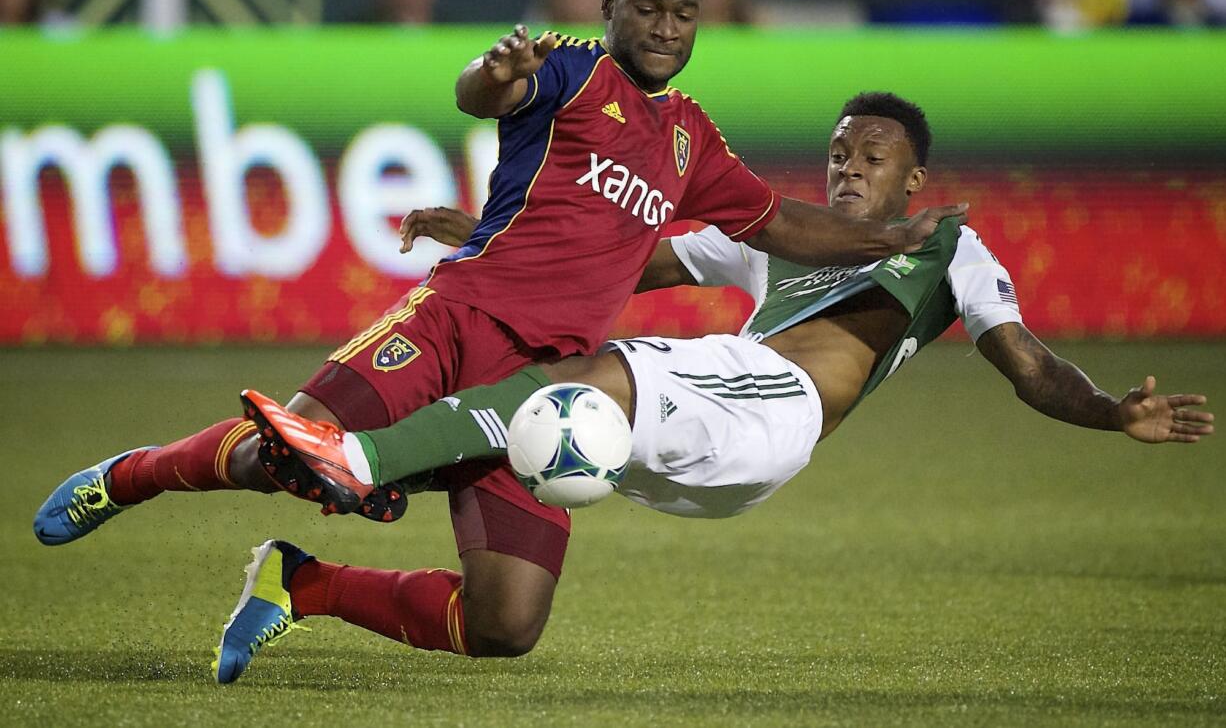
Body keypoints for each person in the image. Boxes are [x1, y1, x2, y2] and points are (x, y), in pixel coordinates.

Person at [34, 0, 963, 677]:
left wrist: (888, 239)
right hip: (456, 322)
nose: (666, 26)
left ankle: (302, 583)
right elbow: (481, 90)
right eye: (646, 6)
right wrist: (499, 70)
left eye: (684, 13)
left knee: (506, 625)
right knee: (291, 453)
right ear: (609, 6)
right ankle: (128, 477)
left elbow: (778, 225)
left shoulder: (690, 141)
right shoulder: (566, 69)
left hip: (545, 387)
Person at [223, 91, 1213, 678]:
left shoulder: (948, 245)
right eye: (836, 152)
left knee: (567, 385)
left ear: (914, 178)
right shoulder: (767, 245)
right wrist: (484, 233)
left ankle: (358, 460)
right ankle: (302, 579)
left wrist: (1105, 409)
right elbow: (612, 253)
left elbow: (1026, 361)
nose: (846, 168)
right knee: (504, 618)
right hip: (716, 447)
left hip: (769, 406)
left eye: (872, 157)